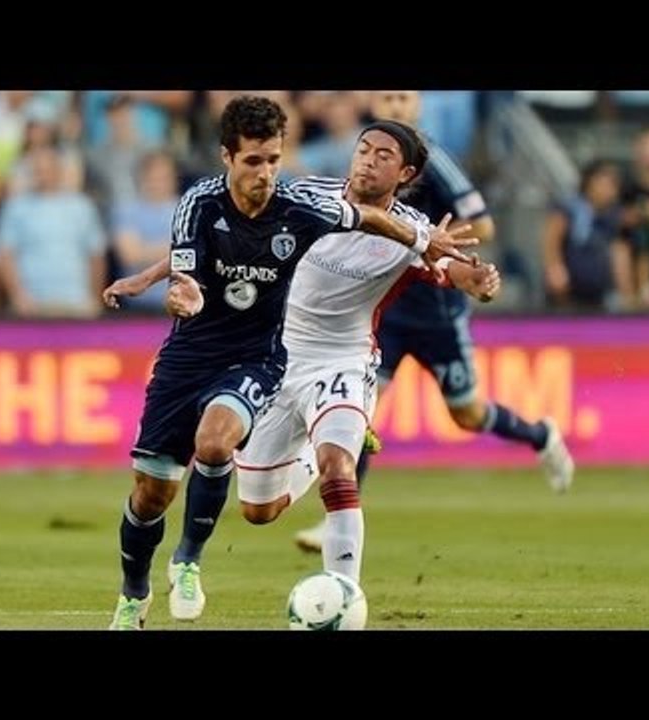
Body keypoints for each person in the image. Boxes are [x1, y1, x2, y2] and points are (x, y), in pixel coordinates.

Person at [101, 96, 476, 630]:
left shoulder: (298, 203)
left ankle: (196, 562)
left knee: (225, 444)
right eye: (255, 161)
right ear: (228, 157)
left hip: (277, 357)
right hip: (195, 355)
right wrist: (162, 283)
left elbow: (381, 227)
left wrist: (441, 251)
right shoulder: (203, 202)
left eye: (274, 160)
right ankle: (134, 594)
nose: (267, 173)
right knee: (183, 498)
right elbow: (189, 260)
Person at [294, 91, 574, 554]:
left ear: (417, 107)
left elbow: (482, 224)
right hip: (387, 311)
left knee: (467, 414)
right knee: (359, 411)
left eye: (403, 98)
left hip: (437, 313)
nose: (394, 107)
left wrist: (432, 245)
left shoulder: (433, 162)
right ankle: (339, 514)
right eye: (387, 98)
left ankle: (539, 435)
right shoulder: (366, 164)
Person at [233, 120, 501, 587]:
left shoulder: (413, 232)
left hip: (345, 361)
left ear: (405, 173)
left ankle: (344, 594)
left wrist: (477, 280)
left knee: (341, 466)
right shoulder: (309, 194)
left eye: (383, 156)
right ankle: (312, 452)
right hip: (277, 357)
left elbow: (451, 267)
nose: (368, 161)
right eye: (364, 150)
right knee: (259, 510)